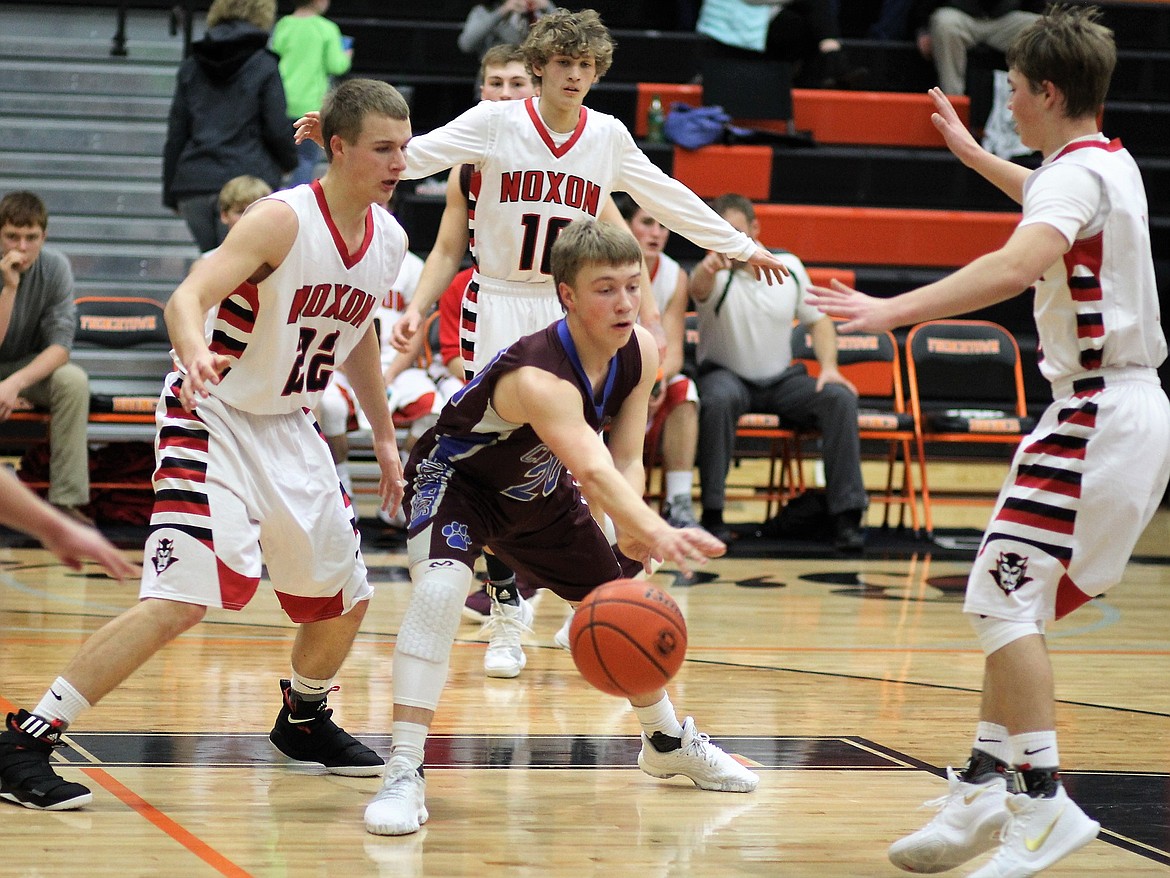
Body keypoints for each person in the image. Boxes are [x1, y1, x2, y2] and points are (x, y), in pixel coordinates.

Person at [296, 14, 792, 675]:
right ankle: (506, 617)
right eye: (563, 64)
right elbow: (417, 155)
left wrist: (740, 245)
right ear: (541, 67)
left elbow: (665, 195)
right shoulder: (497, 124)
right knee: (501, 467)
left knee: (572, 464)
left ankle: (590, 598)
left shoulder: (608, 137)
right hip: (498, 300)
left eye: (587, 66)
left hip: (570, 310)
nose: (576, 76)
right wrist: (343, 143)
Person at [807, 8, 1167, 875]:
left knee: (996, 602)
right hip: (1124, 411)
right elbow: (1052, 204)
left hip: (1093, 415)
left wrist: (889, 311)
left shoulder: (1069, 184)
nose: (1005, 103)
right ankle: (984, 785)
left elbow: (1015, 265)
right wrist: (977, 161)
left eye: (1011, 91)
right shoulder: (1104, 164)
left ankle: (1041, 802)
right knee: (1012, 604)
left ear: (1045, 91)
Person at [0, 78, 412, 811]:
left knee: (344, 596)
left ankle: (304, 719)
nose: (399, 163)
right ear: (339, 148)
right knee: (182, 598)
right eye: (383, 149)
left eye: (405, 149)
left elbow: (359, 338)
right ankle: (26, 739)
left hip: (290, 425)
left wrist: (384, 439)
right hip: (212, 413)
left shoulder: (389, 239)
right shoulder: (280, 220)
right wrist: (193, 353)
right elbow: (186, 294)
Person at [364, 218, 758, 837]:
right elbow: (595, 470)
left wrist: (630, 529)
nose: (625, 302)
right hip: (458, 484)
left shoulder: (642, 350)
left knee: (621, 604)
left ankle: (666, 742)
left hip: (538, 490)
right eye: (606, 289)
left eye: (633, 285)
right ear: (567, 295)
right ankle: (404, 769)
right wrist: (654, 528)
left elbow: (625, 455)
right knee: (439, 593)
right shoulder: (539, 374)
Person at [693, 193, 867, 551]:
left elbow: (818, 322)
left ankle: (846, 517)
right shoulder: (711, 271)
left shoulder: (788, 265)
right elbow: (697, 288)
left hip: (780, 380)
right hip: (726, 375)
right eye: (721, 233)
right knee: (718, 398)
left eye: (737, 232)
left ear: (755, 229)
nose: (730, 242)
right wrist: (710, 267)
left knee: (839, 397)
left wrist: (830, 368)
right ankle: (713, 514)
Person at [163, 0, 297, 252]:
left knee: (211, 269)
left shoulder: (192, 65)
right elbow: (276, 126)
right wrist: (289, 162)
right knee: (243, 276)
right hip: (249, 182)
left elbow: (177, 133)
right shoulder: (264, 64)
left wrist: (171, 191)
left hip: (197, 184)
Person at [0, 191, 92, 525]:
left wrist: (14, 383)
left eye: (31, 238)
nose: (21, 247)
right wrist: (9, 288)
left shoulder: (55, 268)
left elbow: (60, 348)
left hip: (26, 369)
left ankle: (65, 503)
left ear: (44, 236)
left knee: (73, 380)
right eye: (12, 236)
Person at [613, 192, 701, 530]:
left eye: (664, 226)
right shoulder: (607, 264)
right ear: (627, 225)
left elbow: (674, 348)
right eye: (647, 223)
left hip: (652, 374)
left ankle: (679, 502)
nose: (657, 233)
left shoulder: (675, 275)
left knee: (686, 390)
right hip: (610, 371)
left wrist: (657, 379)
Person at [696, 0, 868, 89]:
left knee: (810, 22)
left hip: (765, 16)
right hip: (734, 20)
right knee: (811, 19)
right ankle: (834, 59)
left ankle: (831, 59)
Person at [272, 0, 353, 187]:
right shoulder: (327, 28)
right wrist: (346, 54)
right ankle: (296, 207)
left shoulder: (284, 24)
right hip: (311, 105)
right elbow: (337, 65)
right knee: (305, 159)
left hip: (281, 102)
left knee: (277, 157)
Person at [912, 0, 1041, 95]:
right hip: (961, 16)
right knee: (944, 23)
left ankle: (1030, 100)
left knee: (1039, 29)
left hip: (1005, 18)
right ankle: (953, 102)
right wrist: (922, 28)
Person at [458, 0, 556, 58]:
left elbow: (567, 36)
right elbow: (466, 44)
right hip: (495, 76)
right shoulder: (486, 11)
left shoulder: (545, 11)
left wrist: (548, 7)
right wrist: (503, 11)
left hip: (534, 82)